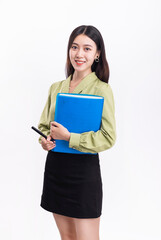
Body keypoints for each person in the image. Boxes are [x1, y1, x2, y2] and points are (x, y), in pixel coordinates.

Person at [38, 25, 116, 240]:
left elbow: (109, 137)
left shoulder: (102, 90)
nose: (79, 54)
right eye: (74, 47)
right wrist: (45, 140)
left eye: (87, 48)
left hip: (83, 173)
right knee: (67, 238)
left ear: (97, 53)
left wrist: (70, 137)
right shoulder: (56, 87)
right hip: (56, 170)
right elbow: (45, 126)